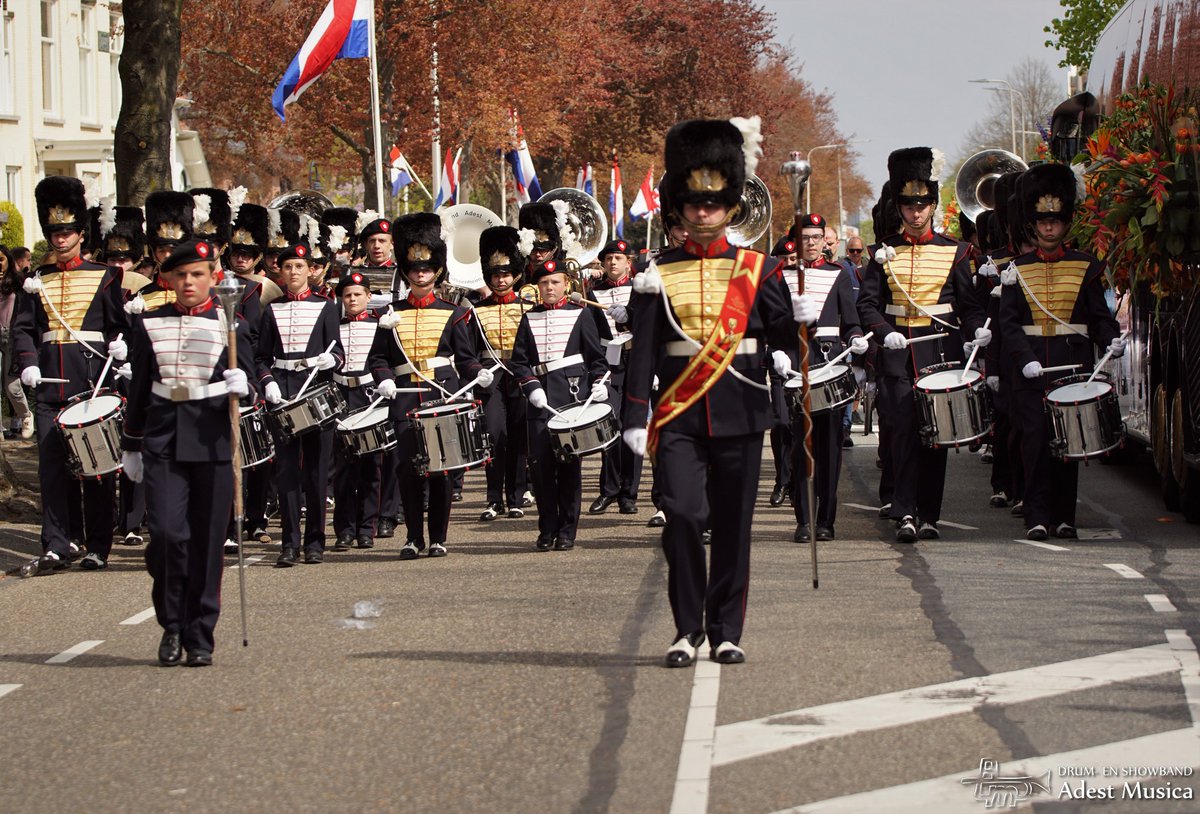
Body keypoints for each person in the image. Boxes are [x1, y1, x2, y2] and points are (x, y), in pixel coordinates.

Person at [622, 118, 815, 667]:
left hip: (741, 407)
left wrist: (804, 317)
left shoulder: (760, 269)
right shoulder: (655, 272)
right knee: (682, 514)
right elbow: (644, 350)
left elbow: (785, 336)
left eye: (713, 204)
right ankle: (687, 628)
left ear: (731, 207)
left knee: (732, 525)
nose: (702, 212)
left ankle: (726, 627)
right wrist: (636, 415)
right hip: (679, 413)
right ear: (678, 208)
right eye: (692, 204)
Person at [120, 238, 255, 667]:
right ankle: (171, 623)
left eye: (197, 274)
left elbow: (248, 383)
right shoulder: (148, 324)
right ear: (168, 280)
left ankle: (200, 635)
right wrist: (132, 445)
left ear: (212, 278)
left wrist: (244, 387)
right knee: (166, 535)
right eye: (180, 275)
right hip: (163, 442)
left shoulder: (231, 324)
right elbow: (139, 389)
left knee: (208, 543)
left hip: (213, 441)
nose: (188, 282)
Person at [857, 148, 987, 543]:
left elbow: (969, 306)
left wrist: (978, 332)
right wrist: (882, 331)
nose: (916, 213)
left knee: (935, 437)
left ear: (933, 206)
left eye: (923, 205)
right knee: (900, 433)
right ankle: (905, 511)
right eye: (909, 206)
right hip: (898, 355)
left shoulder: (956, 250)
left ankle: (929, 513)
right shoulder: (883, 253)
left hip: (940, 353)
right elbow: (867, 304)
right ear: (899, 208)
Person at [999, 163, 1121, 541]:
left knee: (1069, 446)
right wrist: (1025, 358)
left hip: (1073, 367)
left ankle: (1064, 516)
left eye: (1056, 220)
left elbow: (1098, 316)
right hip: (1032, 370)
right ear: (1032, 224)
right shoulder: (1016, 269)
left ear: (1066, 223)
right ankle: (1036, 515)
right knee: (1035, 445)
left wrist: (1112, 338)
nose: (1049, 227)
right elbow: (1009, 323)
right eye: (1042, 220)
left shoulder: (1085, 265)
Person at [14, 176, 128, 573]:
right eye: (53, 232)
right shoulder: (36, 282)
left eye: (66, 232)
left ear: (81, 233)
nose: (60, 239)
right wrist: (27, 360)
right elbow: (24, 328)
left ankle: (98, 544)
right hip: (48, 384)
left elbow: (120, 327)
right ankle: (57, 544)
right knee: (51, 469)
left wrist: (122, 345)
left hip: (91, 382)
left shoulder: (105, 276)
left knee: (95, 470)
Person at [368, 213, 486, 559]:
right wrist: (385, 379)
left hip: (441, 395)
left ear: (437, 271)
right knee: (407, 470)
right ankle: (412, 537)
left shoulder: (453, 313)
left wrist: (478, 373)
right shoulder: (390, 313)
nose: (421, 273)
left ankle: (437, 537)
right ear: (406, 271)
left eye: (427, 268)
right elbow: (377, 359)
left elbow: (464, 358)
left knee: (441, 471)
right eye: (415, 268)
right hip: (404, 398)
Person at [774, 213, 867, 542]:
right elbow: (771, 323)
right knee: (800, 447)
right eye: (805, 238)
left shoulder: (838, 274)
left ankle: (826, 520)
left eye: (816, 238)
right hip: (796, 365)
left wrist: (856, 338)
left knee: (829, 448)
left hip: (830, 365)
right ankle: (803, 520)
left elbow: (851, 319)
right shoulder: (780, 275)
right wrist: (777, 351)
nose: (811, 244)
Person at [511, 256, 607, 551]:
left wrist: (601, 383)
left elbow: (596, 359)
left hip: (571, 399)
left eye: (555, 282)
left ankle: (567, 530)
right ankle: (546, 529)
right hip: (540, 402)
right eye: (543, 283)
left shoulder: (581, 314)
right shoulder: (529, 317)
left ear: (567, 284)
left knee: (568, 468)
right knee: (539, 468)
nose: (549, 287)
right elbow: (520, 362)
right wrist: (531, 387)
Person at [257, 242, 344, 566]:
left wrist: (329, 360)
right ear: (280, 271)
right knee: (288, 472)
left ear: (311, 270)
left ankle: (315, 542)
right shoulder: (272, 309)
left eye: (299, 266)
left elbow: (339, 353)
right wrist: (268, 383)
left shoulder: (326, 307)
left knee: (317, 472)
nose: (293, 272)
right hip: (283, 393)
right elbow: (262, 357)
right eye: (288, 266)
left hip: (316, 393)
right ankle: (290, 543)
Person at [473, 225, 531, 521]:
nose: (501, 279)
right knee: (494, 436)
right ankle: (494, 499)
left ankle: (517, 496)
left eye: (506, 274)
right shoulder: (476, 310)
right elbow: (469, 351)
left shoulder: (527, 308)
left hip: (519, 377)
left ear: (516, 275)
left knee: (520, 438)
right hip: (491, 378)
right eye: (496, 275)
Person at [586, 239, 643, 515]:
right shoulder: (593, 292)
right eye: (608, 258)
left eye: (618, 258)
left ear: (628, 262)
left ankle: (629, 493)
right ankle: (608, 490)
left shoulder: (640, 289)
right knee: (610, 427)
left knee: (632, 426)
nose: (612, 263)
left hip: (637, 360)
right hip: (608, 362)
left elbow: (648, 325)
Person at [331, 270, 384, 550]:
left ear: (368, 297)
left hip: (368, 395)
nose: (352, 299)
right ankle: (344, 528)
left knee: (370, 466)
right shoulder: (334, 325)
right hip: (341, 394)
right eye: (347, 295)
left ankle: (367, 527)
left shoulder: (379, 325)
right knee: (342, 468)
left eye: (357, 295)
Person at [765, 236, 798, 507]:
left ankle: (797, 480)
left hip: (805, 359)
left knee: (801, 425)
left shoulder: (807, 279)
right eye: (783, 259)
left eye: (792, 259)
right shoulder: (770, 281)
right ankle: (782, 479)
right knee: (781, 421)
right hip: (778, 358)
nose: (788, 264)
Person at [1, 245, 34, 438]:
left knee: (12, 385)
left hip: (12, 336)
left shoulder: (18, 281)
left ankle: (26, 415)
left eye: (1, 260)